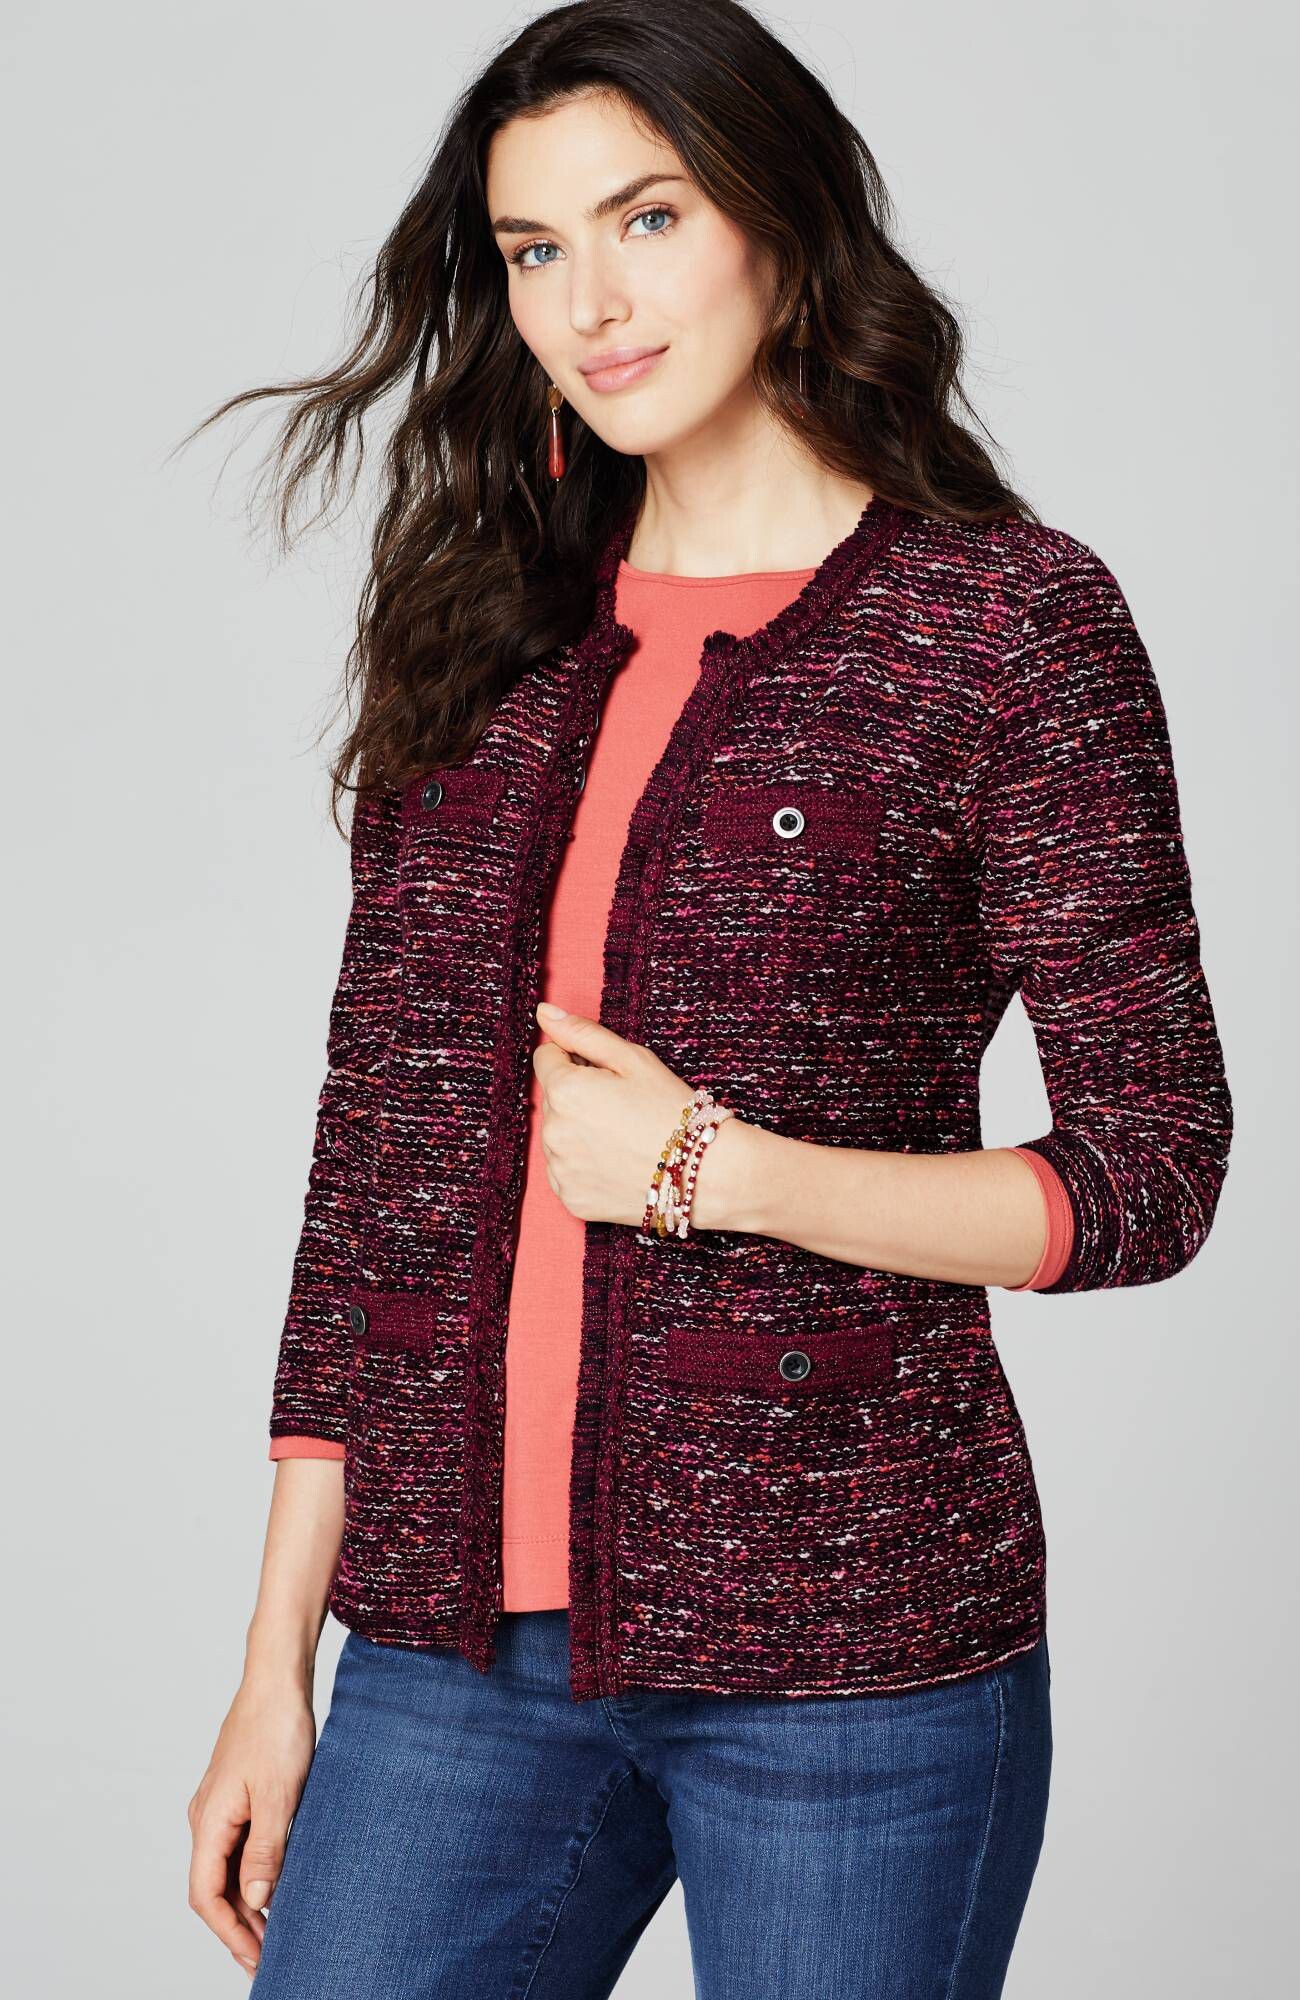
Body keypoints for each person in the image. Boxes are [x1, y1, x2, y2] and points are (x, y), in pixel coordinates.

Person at [183, 2, 1233, 1992]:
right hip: (453, 1647)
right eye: (534, 249)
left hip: (853, 1657)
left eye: (646, 218)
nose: (588, 301)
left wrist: (717, 1170)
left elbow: (1152, 1170)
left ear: (777, 215)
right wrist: (271, 1664)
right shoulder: (483, 634)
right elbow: (377, 1198)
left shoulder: (1001, 625)